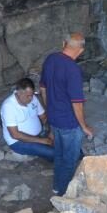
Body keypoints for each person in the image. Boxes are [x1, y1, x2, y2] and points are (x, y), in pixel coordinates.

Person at [39, 32, 94, 195]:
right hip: (69, 123)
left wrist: (49, 111)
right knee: (69, 160)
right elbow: (76, 102)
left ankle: (57, 185)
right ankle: (63, 194)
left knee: (59, 155)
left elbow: (43, 89)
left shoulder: (50, 59)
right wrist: (84, 126)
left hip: (54, 118)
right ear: (81, 50)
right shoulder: (73, 69)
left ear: (64, 43)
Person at [0, 78, 54, 161]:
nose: (30, 98)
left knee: (63, 139)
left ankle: (77, 154)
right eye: (27, 96)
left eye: (31, 95)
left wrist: (51, 131)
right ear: (18, 92)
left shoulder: (33, 99)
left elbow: (43, 117)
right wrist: (42, 141)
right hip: (19, 142)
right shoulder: (8, 106)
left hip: (39, 134)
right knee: (53, 152)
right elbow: (15, 135)